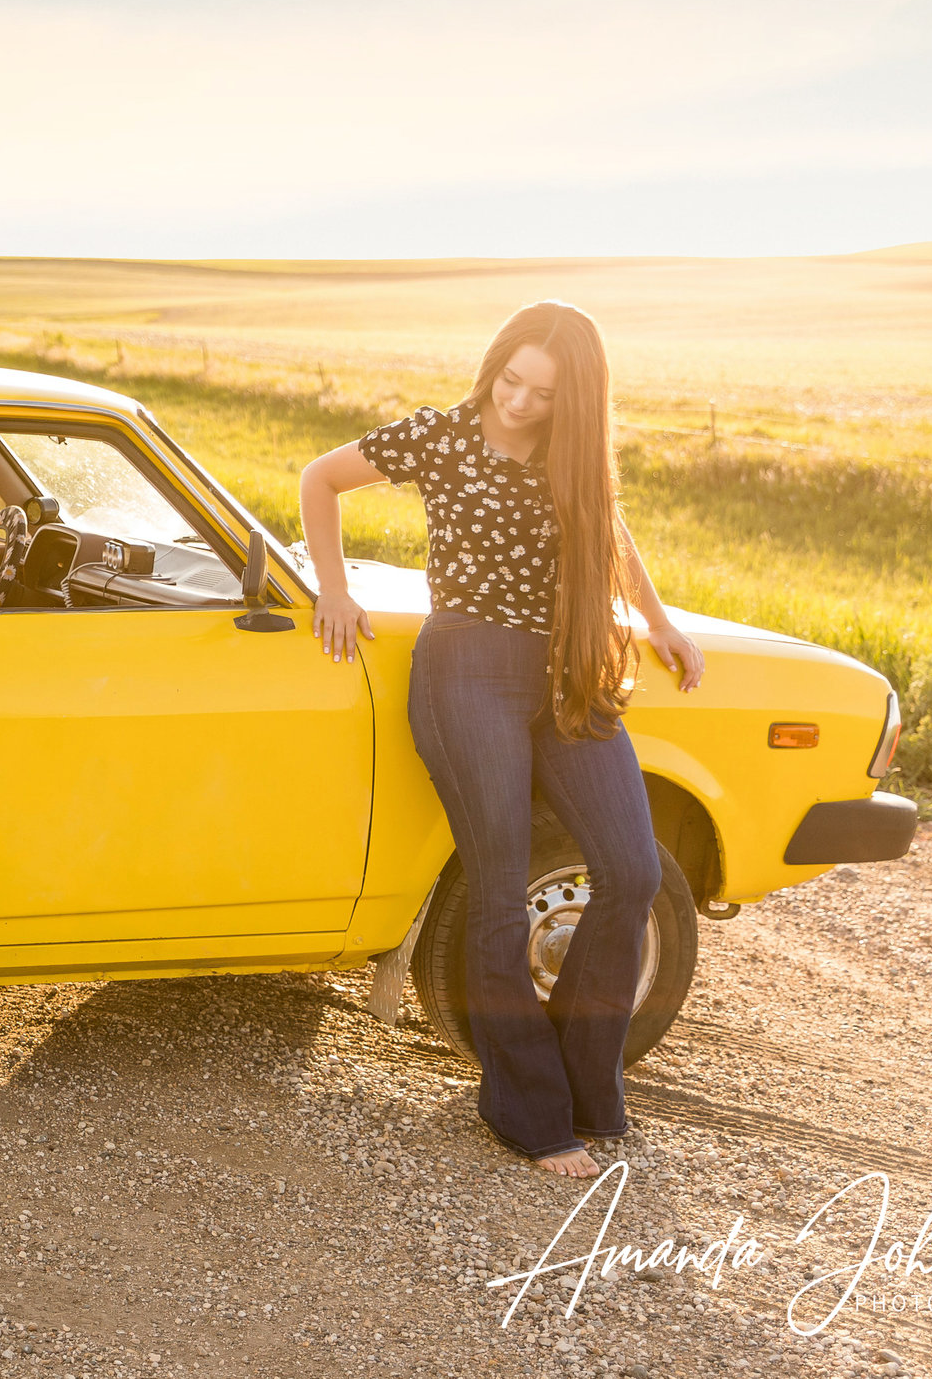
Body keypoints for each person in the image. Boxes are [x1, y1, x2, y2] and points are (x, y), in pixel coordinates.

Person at [296, 301, 704, 1178]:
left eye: (543, 392)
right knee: (496, 887)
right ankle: (526, 1111)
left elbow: (608, 531)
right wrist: (332, 589)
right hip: (465, 670)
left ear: (576, 400)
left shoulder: (573, 455)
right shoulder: (440, 435)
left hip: (569, 673)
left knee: (631, 870)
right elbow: (319, 479)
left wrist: (658, 622)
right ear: (493, 367)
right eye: (510, 380)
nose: (518, 402)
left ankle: (586, 1086)